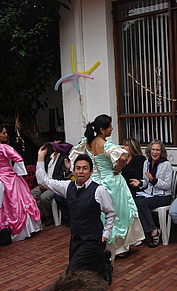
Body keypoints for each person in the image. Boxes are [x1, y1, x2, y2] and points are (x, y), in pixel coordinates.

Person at [68, 114, 145, 259]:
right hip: (111, 181)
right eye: (110, 126)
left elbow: (73, 156)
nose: (112, 128)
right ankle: (119, 248)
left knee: (101, 215)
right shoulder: (106, 144)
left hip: (95, 182)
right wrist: (118, 168)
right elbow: (122, 157)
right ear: (102, 129)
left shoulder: (87, 142)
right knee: (117, 213)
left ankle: (103, 245)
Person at [36, 148, 117, 285]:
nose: (81, 171)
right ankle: (103, 264)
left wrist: (106, 233)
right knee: (84, 270)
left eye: (85, 168)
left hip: (93, 239)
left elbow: (111, 213)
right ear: (73, 171)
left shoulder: (99, 190)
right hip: (76, 238)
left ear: (91, 172)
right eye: (78, 168)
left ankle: (101, 259)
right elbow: (44, 181)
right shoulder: (67, 187)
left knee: (71, 273)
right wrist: (40, 158)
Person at [0, 124, 42, 242]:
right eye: (4, 133)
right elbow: (18, 158)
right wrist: (17, 172)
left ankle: (3, 227)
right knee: (16, 201)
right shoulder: (4, 147)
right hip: (9, 178)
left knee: (2, 204)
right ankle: (20, 229)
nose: (6, 135)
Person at [130, 139, 173, 248]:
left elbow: (167, 185)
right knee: (135, 201)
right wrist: (139, 182)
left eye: (157, 150)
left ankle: (153, 231)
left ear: (161, 151)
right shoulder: (147, 162)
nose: (155, 152)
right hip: (149, 194)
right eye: (153, 150)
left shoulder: (166, 164)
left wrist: (153, 180)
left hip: (163, 195)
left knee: (142, 203)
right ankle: (149, 229)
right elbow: (146, 182)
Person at [31, 135, 72, 226]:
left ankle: (48, 217)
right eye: (54, 144)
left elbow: (64, 176)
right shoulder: (49, 156)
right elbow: (43, 170)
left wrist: (67, 170)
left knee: (44, 198)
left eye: (58, 144)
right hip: (44, 182)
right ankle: (40, 215)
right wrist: (41, 183)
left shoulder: (64, 157)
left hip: (54, 184)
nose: (55, 147)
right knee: (31, 195)